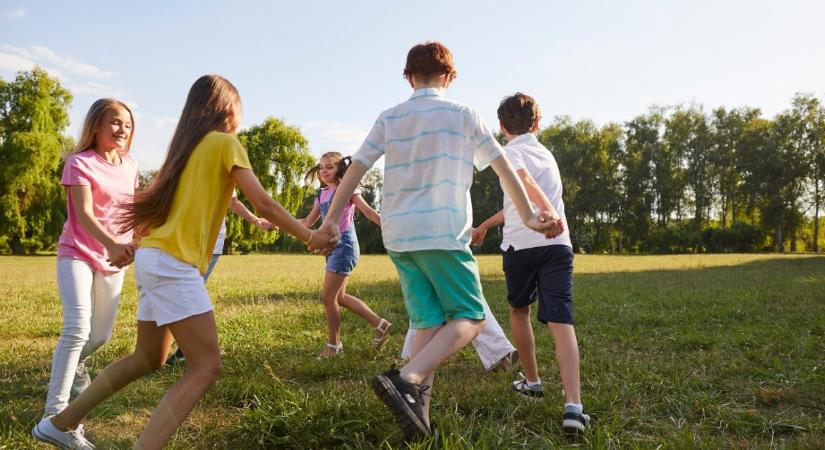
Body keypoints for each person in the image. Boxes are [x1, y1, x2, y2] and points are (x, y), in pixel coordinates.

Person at [32, 74, 336, 449]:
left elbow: (153, 208)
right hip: (173, 265)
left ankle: (61, 423)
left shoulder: (184, 149)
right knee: (206, 366)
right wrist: (312, 236)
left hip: (154, 260)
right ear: (228, 109)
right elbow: (264, 204)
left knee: (148, 357)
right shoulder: (226, 144)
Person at [316, 42, 562, 440]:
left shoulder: (390, 116)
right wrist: (531, 217)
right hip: (443, 233)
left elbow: (356, 168)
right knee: (472, 317)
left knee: (427, 325)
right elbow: (503, 169)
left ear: (408, 77)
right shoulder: (464, 115)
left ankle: (419, 420)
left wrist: (330, 220)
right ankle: (407, 377)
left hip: (399, 237)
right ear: (449, 77)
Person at [472, 92, 589, 433]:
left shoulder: (510, 152)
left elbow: (523, 182)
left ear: (501, 126)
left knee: (519, 311)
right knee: (561, 321)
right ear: (537, 124)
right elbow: (515, 203)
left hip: (523, 247)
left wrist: (545, 213)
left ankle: (533, 382)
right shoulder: (547, 155)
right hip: (557, 247)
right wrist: (484, 225)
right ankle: (574, 407)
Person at [43, 98, 139, 420]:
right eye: (114, 122)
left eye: (127, 124)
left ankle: (74, 364)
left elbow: (130, 211)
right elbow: (83, 214)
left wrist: (134, 241)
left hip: (114, 258)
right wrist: (111, 243)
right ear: (96, 126)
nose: (121, 129)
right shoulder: (79, 162)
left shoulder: (131, 166)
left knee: (100, 335)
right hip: (78, 252)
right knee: (76, 328)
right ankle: (55, 413)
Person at [164, 194, 275, 366]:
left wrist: (255, 220)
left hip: (208, 241)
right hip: (183, 238)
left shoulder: (221, 166)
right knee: (182, 293)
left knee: (188, 293)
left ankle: (186, 349)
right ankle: (176, 348)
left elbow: (231, 200)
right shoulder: (183, 166)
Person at [301, 152, 390, 358]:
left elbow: (369, 213)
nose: (323, 171)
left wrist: (390, 227)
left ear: (340, 169)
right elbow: (307, 222)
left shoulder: (348, 189)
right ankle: (380, 324)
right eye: (321, 167)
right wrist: (276, 221)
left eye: (329, 167)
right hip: (331, 248)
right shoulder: (321, 194)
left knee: (328, 297)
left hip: (345, 246)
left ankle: (334, 346)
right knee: (339, 297)